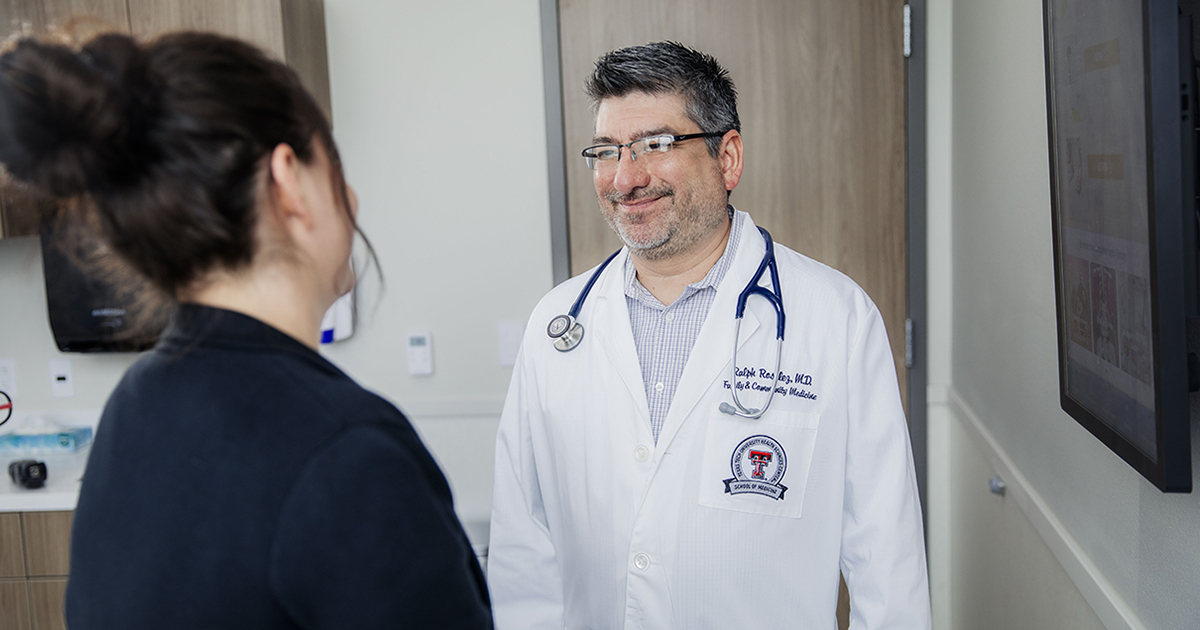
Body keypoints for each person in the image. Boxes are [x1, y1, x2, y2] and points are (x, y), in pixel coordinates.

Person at [0, 32, 492, 628]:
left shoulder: (132, 410)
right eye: (334, 163)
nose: (354, 200)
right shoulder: (349, 454)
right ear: (290, 184)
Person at [488, 41, 930, 628]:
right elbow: (524, 548)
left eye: (656, 144)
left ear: (728, 158)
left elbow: (886, 559)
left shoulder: (837, 319)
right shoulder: (557, 325)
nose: (625, 177)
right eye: (607, 151)